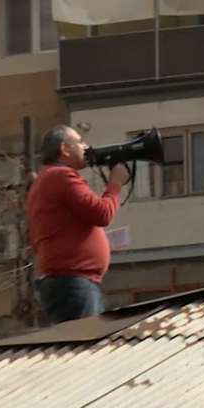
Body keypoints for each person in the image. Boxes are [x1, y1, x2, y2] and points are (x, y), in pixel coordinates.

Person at [26, 125, 130, 324]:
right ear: (64, 149)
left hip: (68, 282)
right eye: (80, 142)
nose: (86, 146)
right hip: (73, 283)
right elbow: (102, 214)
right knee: (89, 347)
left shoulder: (45, 180)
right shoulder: (61, 176)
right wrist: (115, 183)